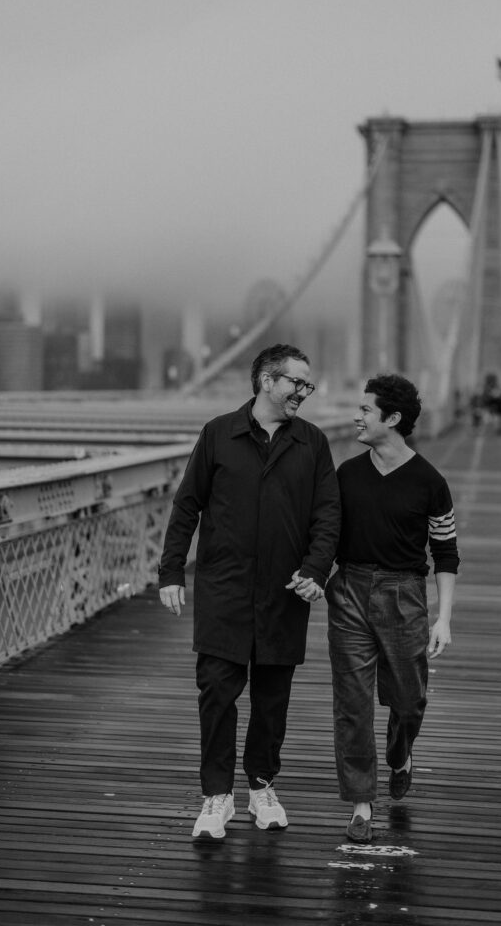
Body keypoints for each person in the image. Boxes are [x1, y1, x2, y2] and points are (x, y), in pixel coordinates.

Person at [158, 343, 340, 842]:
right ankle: (216, 795)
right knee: (216, 693)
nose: (303, 392)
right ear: (266, 381)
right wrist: (171, 571)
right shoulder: (218, 433)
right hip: (224, 588)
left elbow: (328, 514)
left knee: (272, 699)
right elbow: (186, 506)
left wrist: (317, 568)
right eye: (295, 383)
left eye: (308, 385)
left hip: (286, 591)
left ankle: (262, 784)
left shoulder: (314, 443)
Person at [327, 373, 459, 842]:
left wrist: (442, 617)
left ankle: (400, 753)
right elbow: (326, 536)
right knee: (353, 704)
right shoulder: (346, 474)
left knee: (409, 699)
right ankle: (361, 804)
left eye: (365, 410)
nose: (356, 416)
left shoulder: (430, 482)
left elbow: (446, 552)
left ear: (393, 418)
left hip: (405, 595)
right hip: (349, 591)